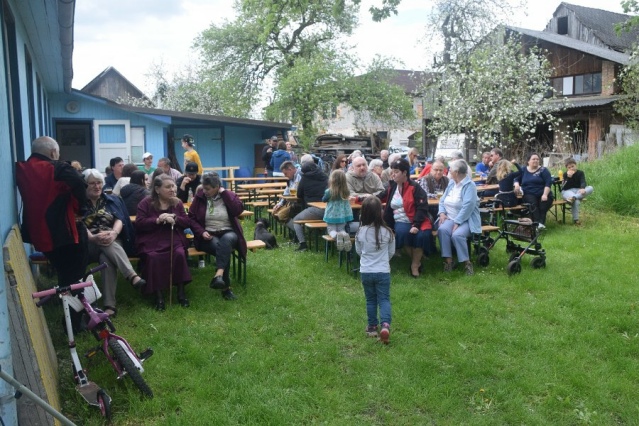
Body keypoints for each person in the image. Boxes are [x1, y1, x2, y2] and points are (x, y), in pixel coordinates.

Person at [16, 136, 89, 286]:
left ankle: (66, 296)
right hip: (63, 233)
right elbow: (79, 182)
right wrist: (81, 210)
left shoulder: (22, 169)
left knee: (63, 273)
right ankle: (74, 300)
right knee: (75, 276)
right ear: (53, 152)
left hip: (38, 234)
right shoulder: (57, 169)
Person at [82, 169, 144, 317]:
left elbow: (119, 219)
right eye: (92, 183)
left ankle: (109, 306)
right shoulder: (79, 203)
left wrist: (114, 233)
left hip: (113, 240)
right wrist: (93, 237)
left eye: (99, 183)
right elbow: (79, 224)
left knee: (106, 258)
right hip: (88, 243)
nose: (97, 186)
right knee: (105, 242)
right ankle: (131, 276)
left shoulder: (112, 200)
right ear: (85, 185)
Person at [135, 174, 192, 311]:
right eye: (168, 187)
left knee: (179, 254)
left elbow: (186, 222)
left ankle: (181, 293)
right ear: (157, 189)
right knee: (154, 257)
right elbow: (139, 223)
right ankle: (158, 296)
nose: (172, 189)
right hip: (151, 239)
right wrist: (157, 220)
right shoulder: (146, 203)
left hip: (173, 237)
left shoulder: (177, 203)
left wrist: (175, 218)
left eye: (173, 186)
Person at [188, 173, 247, 300]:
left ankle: (219, 275)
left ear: (217, 187)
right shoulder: (200, 197)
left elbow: (238, 210)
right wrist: (201, 231)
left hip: (228, 231)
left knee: (226, 241)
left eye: (208, 189)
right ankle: (225, 287)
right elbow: (191, 218)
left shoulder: (228, 195)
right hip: (208, 234)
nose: (204, 191)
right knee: (222, 248)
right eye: (203, 187)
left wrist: (225, 194)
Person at [380, 159, 433, 278]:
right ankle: (417, 262)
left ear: (404, 173)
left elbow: (422, 207)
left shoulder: (415, 187)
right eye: (392, 171)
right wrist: (362, 199)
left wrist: (416, 225)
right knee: (403, 233)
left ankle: (414, 265)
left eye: (396, 172)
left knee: (421, 235)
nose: (393, 174)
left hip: (418, 219)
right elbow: (380, 197)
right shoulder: (392, 186)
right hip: (400, 220)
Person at [355, 196, 395, 344]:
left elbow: (359, 251)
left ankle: (372, 327)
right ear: (380, 212)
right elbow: (391, 252)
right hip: (383, 271)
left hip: (366, 271)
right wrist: (383, 261)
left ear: (363, 213)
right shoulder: (388, 232)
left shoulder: (361, 232)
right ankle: (385, 326)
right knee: (384, 299)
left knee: (370, 300)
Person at [438, 159, 481, 276]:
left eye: (450, 170)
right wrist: (441, 213)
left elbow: (468, 206)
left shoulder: (470, 186)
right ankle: (449, 262)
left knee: (457, 235)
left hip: (467, 220)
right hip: (450, 217)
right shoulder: (452, 183)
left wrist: (457, 222)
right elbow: (442, 200)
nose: (449, 172)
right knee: (442, 230)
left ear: (456, 172)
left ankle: (467, 264)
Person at [289, 157, 328, 252]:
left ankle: (302, 244)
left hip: (314, 209)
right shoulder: (325, 177)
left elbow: (299, 194)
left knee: (296, 220)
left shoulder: (305, 178)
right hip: (328, 208)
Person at [514, 153, 553, 229]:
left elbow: (548, 183)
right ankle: (537, 224)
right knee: (533, 205)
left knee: (543, 206)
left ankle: (540, 224)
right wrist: (516, 185)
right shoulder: (523, 170)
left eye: (537, 159)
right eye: (533, 159)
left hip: (543, 192)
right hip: (529, 193)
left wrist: (545, 194)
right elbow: (516, 179)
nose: (536, 160)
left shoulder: (543, 170)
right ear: (528, 161)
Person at [322, 170, 354, 252]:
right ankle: (344, 234)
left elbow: (324, 200)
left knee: (331, 230)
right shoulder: (346, 191)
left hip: (331, 215)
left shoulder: (329, 191)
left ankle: (336, 236)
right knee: (341, 229)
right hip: (342, 215)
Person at [560, 157, 594, 225]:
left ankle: (574, 197)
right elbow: (564, 187)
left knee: (590, 188)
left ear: (576, 165)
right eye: (569, 167)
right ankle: (576, 220)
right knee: (576, 200)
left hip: (578, 191)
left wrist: (582, 188)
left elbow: (583, 181)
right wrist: (569, 178)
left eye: (572, 166)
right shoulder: (565, 174)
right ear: (567, 168)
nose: (571, 168)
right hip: (567, 191)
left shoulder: (580, 173)